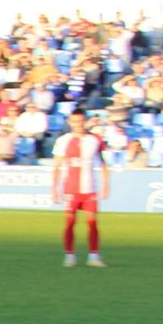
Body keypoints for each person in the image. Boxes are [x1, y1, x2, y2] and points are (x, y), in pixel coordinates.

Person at [50, 111, 109, 267]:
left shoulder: (94, 140)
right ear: (70, 122)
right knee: (70, 222)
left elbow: (103, 164)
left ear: (85, 121)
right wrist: (54, 188)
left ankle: (94, 256)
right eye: (75, 121)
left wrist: (105, 186)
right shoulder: (63, 140)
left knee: (92, 223)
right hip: (70, 188)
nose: (78, 124)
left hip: (89, 188)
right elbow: (57, 165)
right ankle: (70, 256)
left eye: (81, 121)